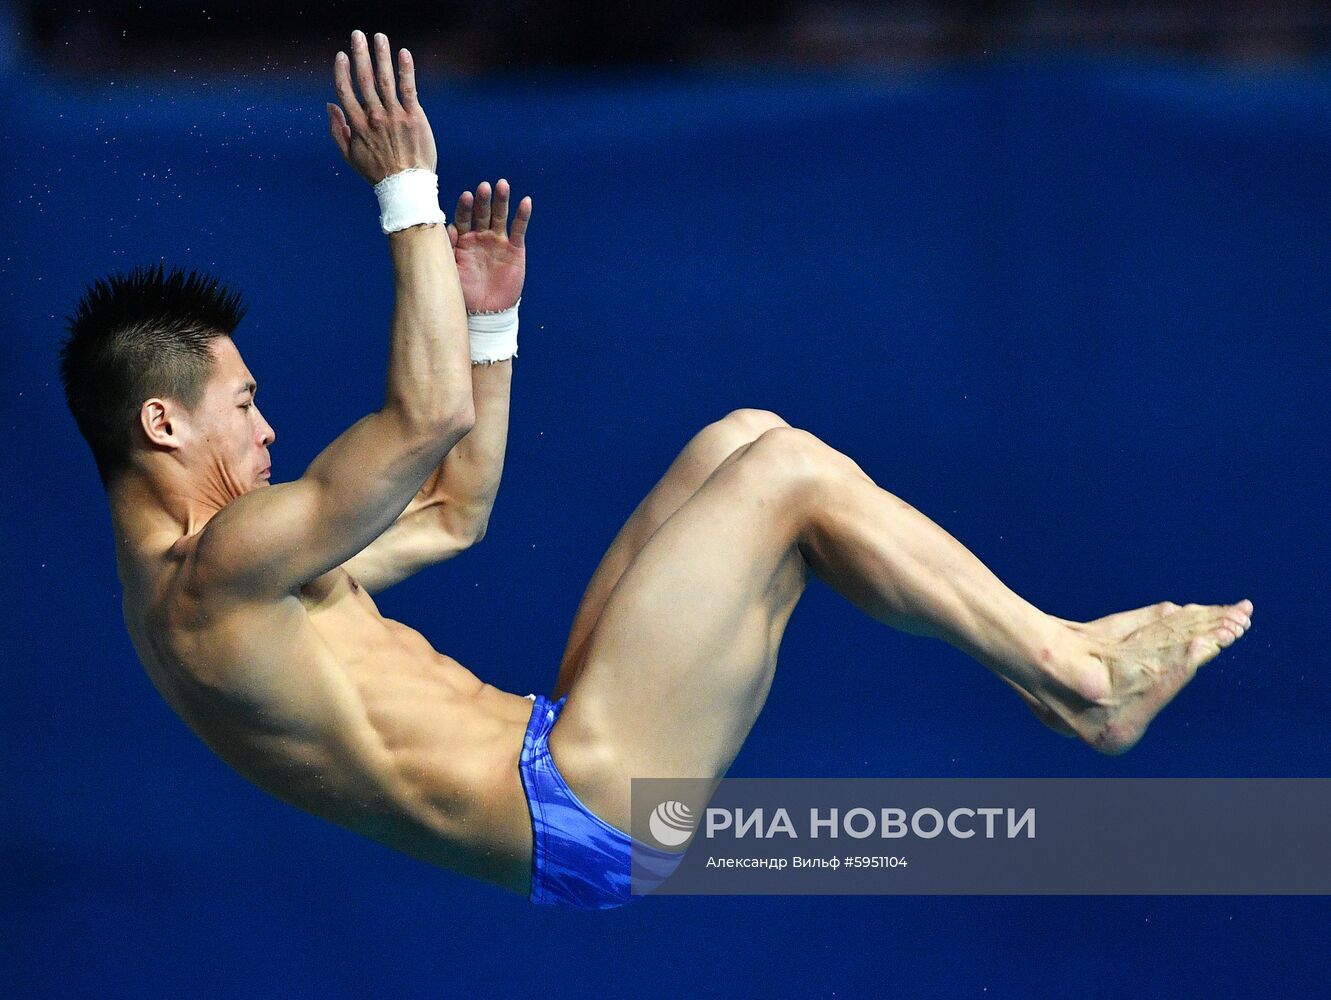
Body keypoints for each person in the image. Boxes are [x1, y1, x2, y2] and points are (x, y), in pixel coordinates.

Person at [59, 29, 1253, 910]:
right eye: (247, 404)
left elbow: (455, 510)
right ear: (164, 425)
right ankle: (1075, 674)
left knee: (737, 440)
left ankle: (1058, 677)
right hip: (585, 803)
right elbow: (422, 422)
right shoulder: (215, 574)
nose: (267, 432)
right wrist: (404, 190)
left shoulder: (235, 581)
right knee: (782, 475)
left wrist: (489, 332)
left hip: (563, 753)